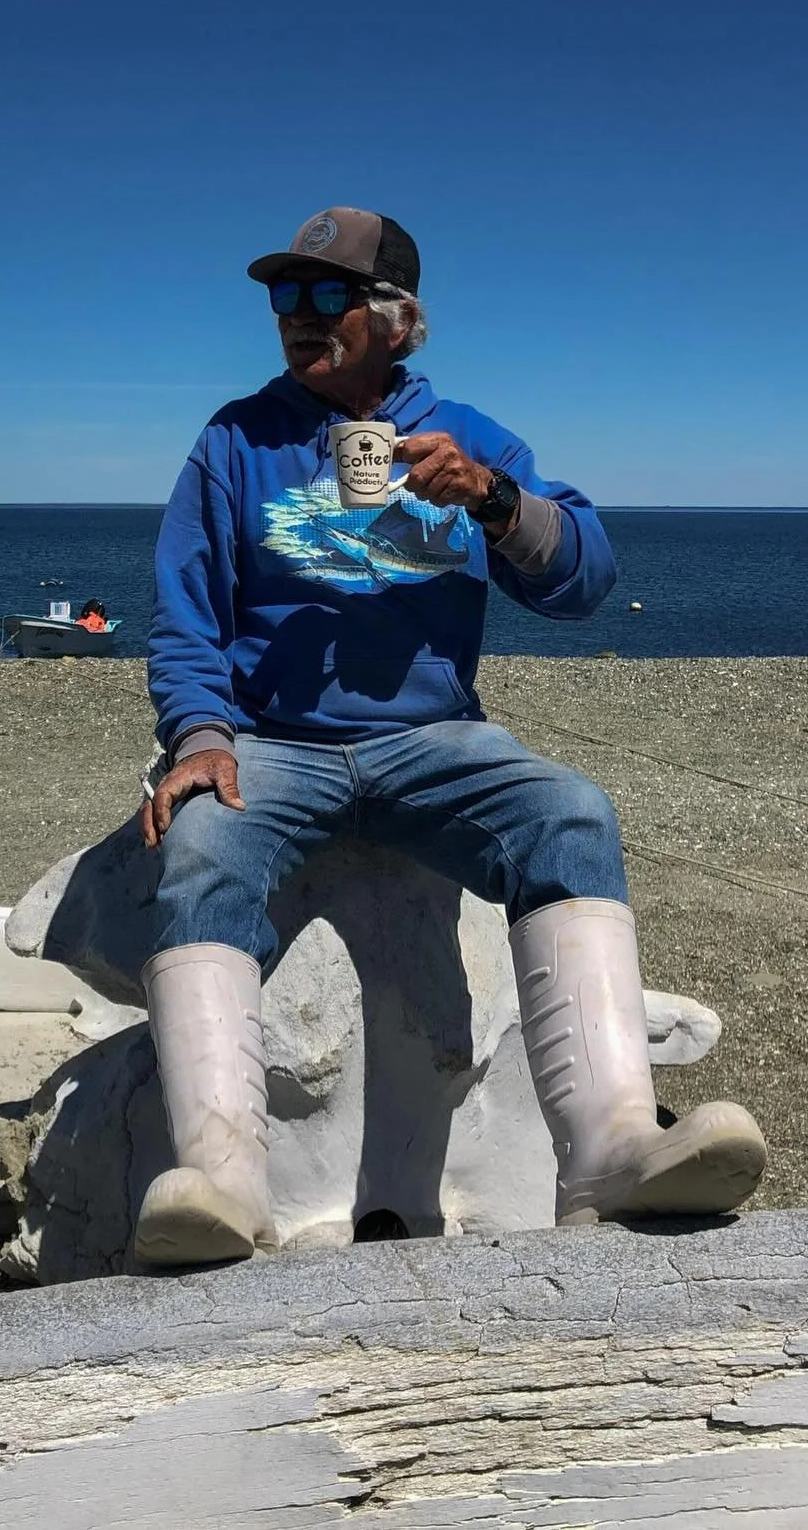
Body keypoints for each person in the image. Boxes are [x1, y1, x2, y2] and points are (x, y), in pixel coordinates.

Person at [134, 204, 766, 1269]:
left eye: (327, 294)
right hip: (273, 740)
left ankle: (610, 1146)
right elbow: (185, 609)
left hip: (434, 739)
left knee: (570, 812)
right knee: (198, 848)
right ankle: (226, 1182)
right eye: (285, 296)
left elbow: (585, 578)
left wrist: (492, 497)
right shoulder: (234, 440)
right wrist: (200, 732)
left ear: (398, 319)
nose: (298, 316)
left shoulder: (468, 435)